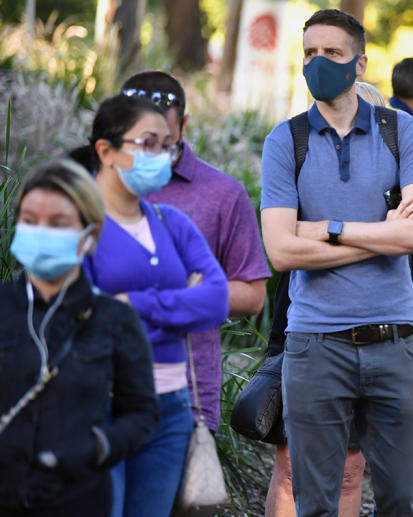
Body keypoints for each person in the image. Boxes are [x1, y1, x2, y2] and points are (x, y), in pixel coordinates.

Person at [259, 9, 413, 516]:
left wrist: (330, 228)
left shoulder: (401, 131)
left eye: (332, 54)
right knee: (315, 502)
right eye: (310, 53)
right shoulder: (285, 140)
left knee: (401, 499)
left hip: (395, 342)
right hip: (315, 345)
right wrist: (386, 235)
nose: (318, 63)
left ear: (359, 64)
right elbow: (282, 251)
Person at [69, 94, 229, 517]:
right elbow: (80, 315)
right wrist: (180, 307)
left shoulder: (171, 223)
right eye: (148, 144)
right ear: (105, 150)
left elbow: (216, 300)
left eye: (167, 146)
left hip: (171, 408)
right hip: (99, 402)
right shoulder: (75, 226)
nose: (162, 156)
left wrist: (132, 304)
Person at [0, 160, 158, 517]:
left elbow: (141, 411)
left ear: (90, 234)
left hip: (77, 498)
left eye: (58, 224)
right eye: (30, 220)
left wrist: (98, 446)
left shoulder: (115, 320)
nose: (41, 232)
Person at [264, 78, 390, 517]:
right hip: (303, 334)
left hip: (376, 339)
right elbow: (286, 247)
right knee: (292, 463)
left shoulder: (400, 188)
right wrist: (377, 239)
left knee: (351, 467)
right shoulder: (300, 173)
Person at [120, 70, 272, 432]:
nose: (151, 153)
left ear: (184, 125)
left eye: (165, 142)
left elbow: (253, 295)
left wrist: (177, 289)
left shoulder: (223, 194)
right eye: (139, 142)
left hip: (185, 396)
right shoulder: (91, 186)